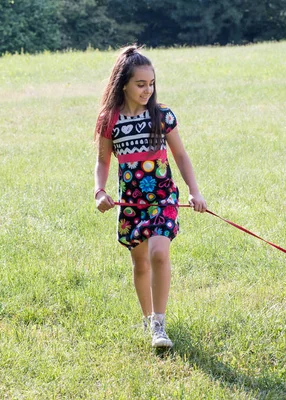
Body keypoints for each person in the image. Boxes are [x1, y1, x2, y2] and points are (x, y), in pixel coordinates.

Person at [93, 45, 207, 348]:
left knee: (159, 253)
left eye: (151, 83)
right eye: (140, 84)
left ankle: (159, 324)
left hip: (163, 196)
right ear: (124, 85)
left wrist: (195, 192)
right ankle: (147, 320)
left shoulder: (162, 116)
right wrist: (99, 191)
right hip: (131, 202)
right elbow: (103, 161)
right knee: (140, 263)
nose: (148, 90)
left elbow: (181, 156)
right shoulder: (109, 120)